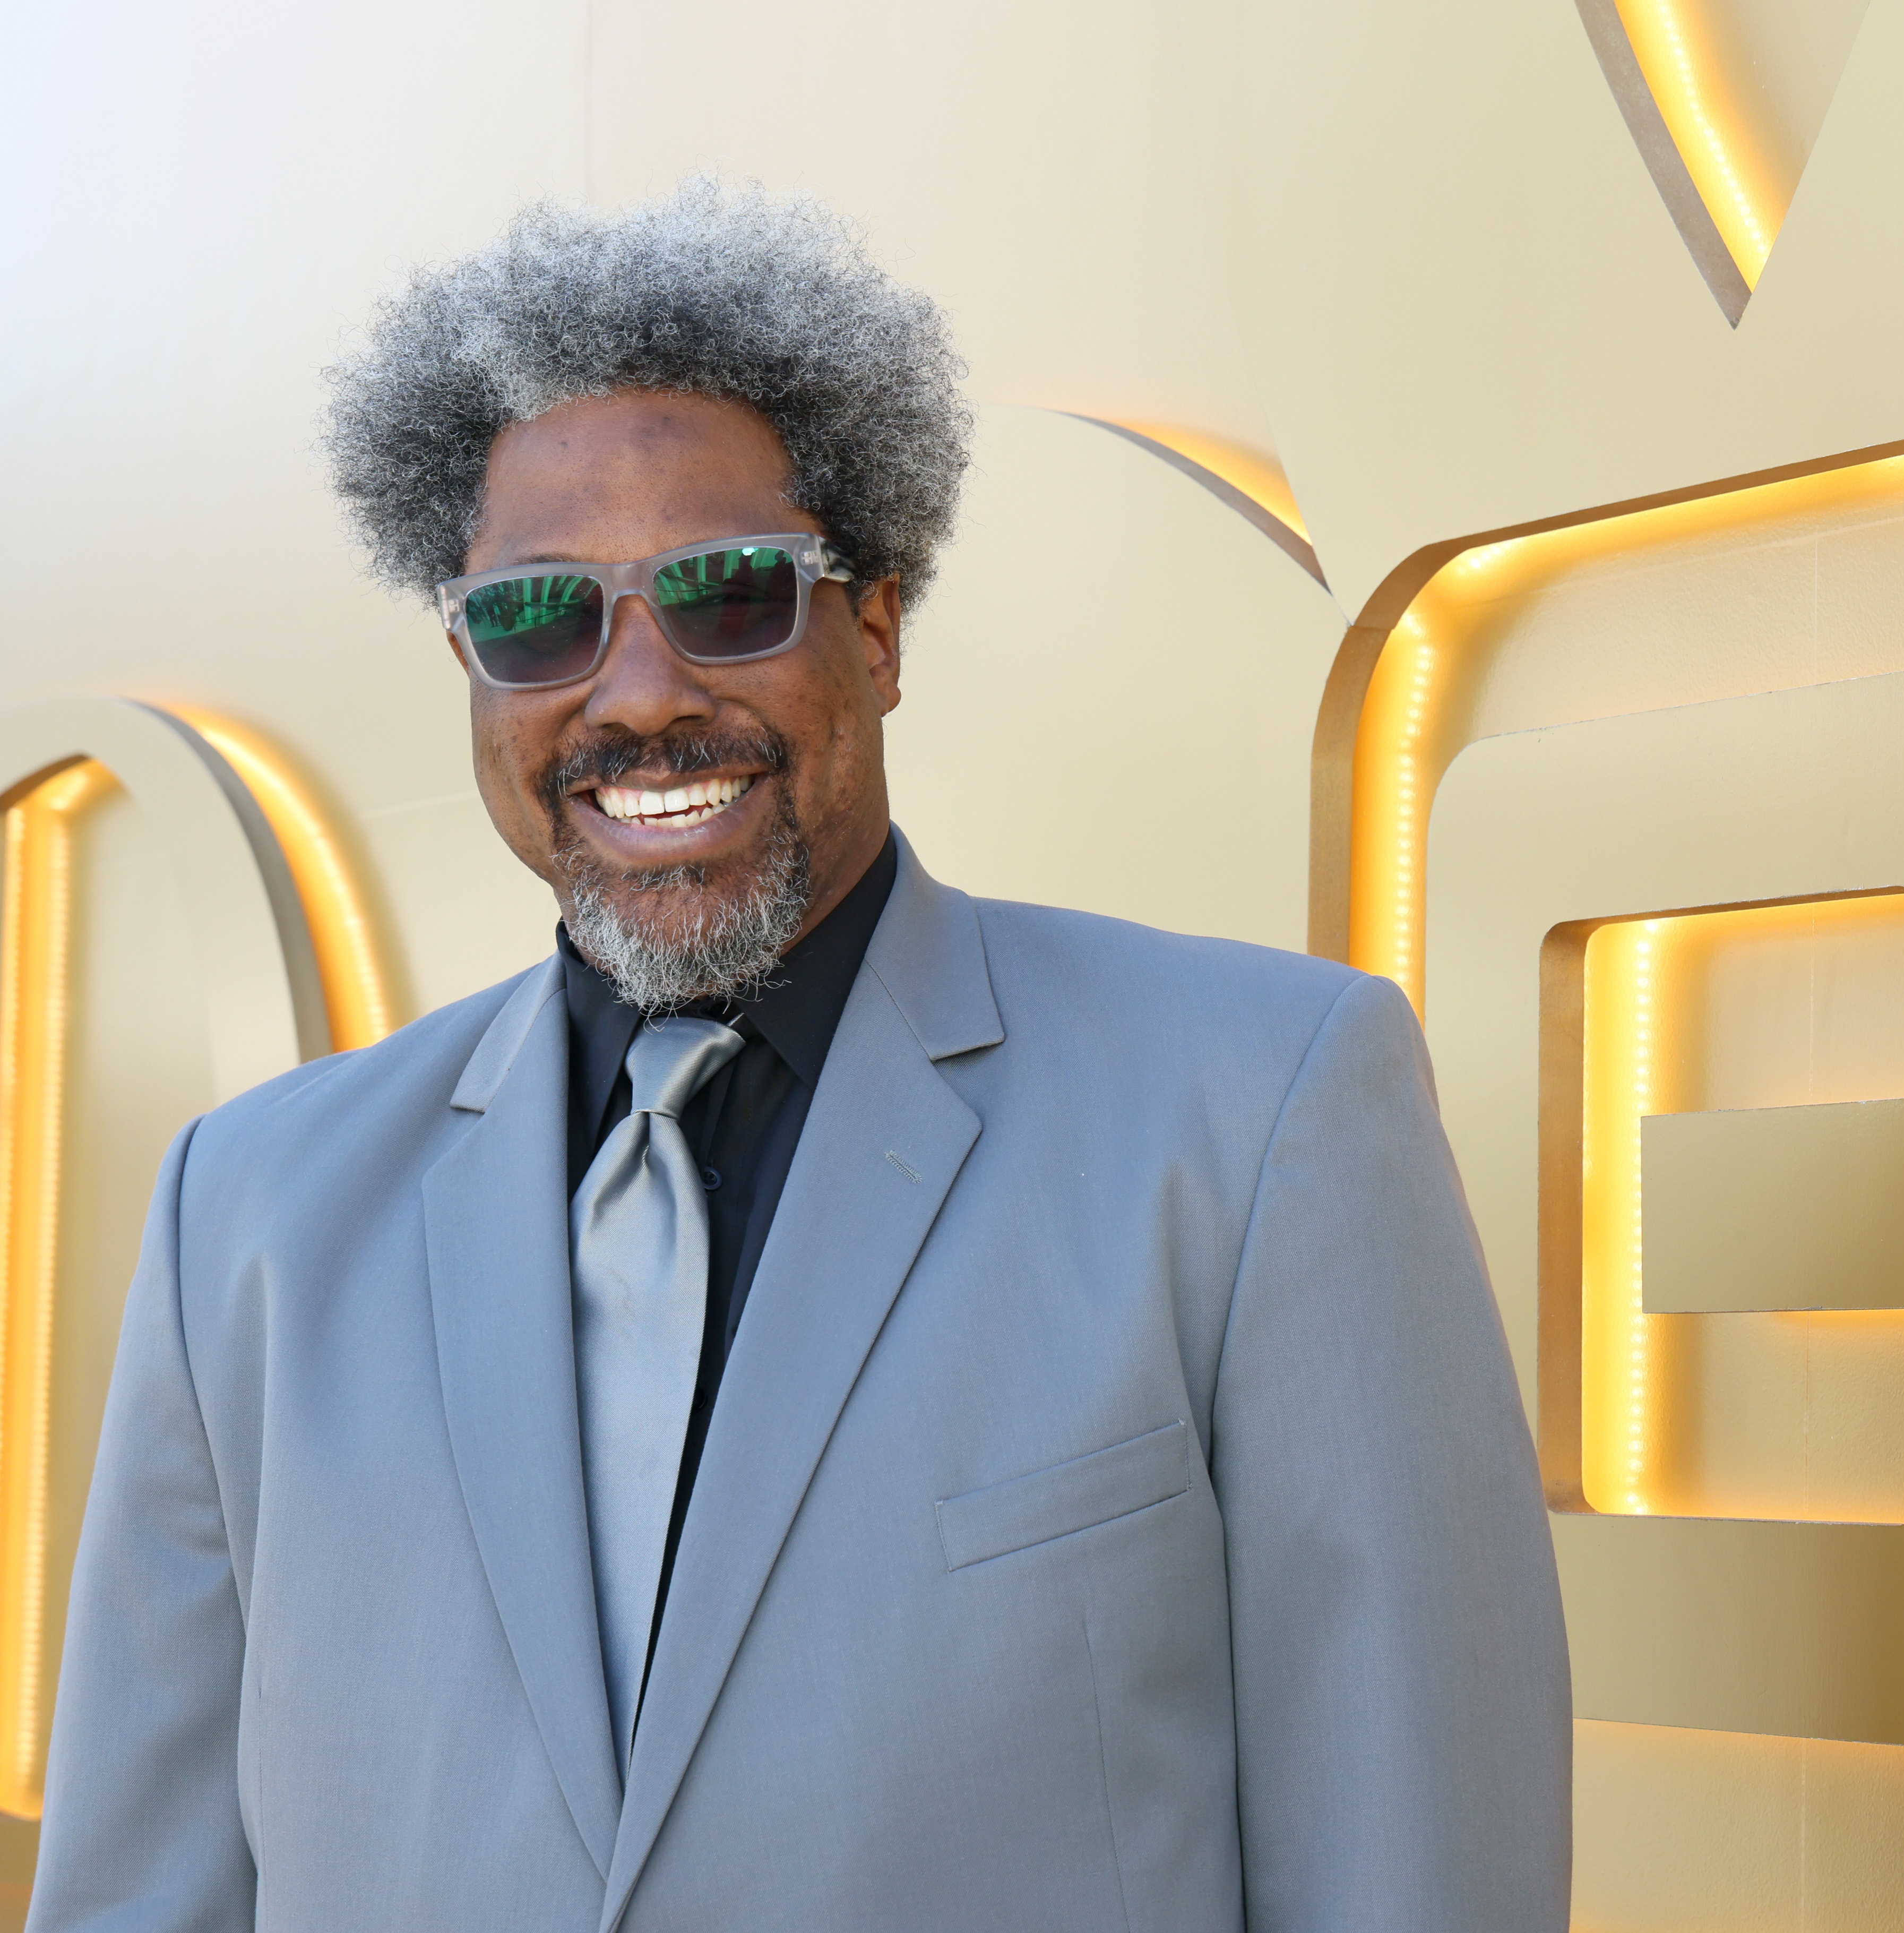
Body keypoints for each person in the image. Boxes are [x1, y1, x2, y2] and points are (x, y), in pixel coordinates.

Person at [26, 182, 1570, 1931]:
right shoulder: (246, 1209)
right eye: (540, 620)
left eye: (728, 594)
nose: (632, 696)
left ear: (884, 625)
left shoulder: (1267, 1107)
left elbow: (1418, 1874)